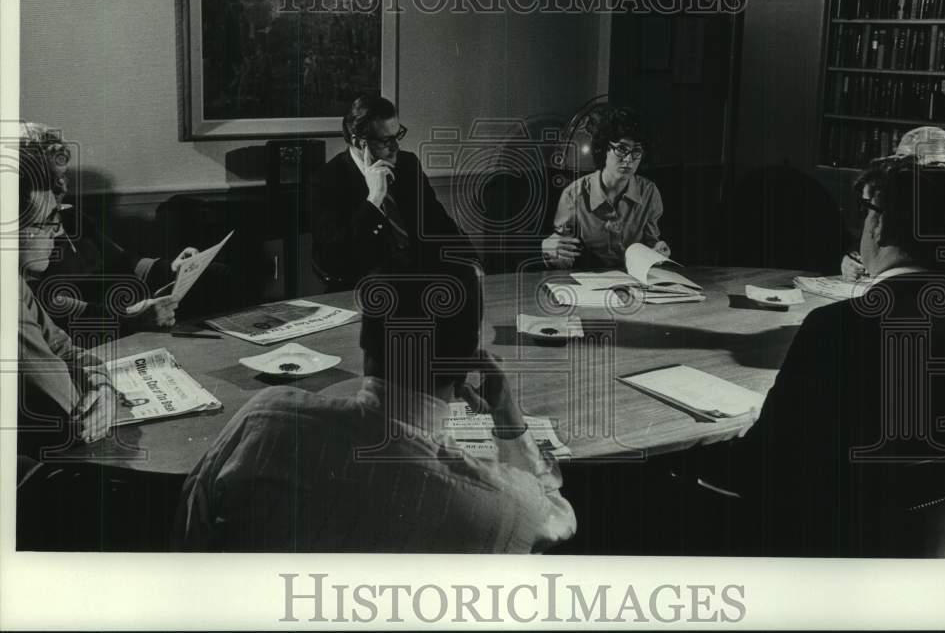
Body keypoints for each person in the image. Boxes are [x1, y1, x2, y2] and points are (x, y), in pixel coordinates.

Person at [173, 265, 576, 552]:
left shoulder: (266, 417)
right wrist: (509, 421)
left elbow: (193, 528)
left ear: (364, 337)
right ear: (470, 361)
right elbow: (558, 519)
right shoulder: (506, 503)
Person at [707, 156, 945, 555]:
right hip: (917, 543)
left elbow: (761, 463)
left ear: (879, 224)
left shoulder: (835, 326)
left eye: (868, 209)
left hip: (817, 541)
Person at [18, 122, 187, 336]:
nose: (62, 187)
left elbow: (124, 260)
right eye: (52, 179)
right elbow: (50, 306)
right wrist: (128, 317)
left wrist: (172, 267)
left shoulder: (72, 217)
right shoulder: (26, 243)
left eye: (63, 175)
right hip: (94, 327)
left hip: (128, 308)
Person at [310, 94, 477, 288]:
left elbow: (439, 223)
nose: (395, 147)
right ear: (358, 142)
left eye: (397, 136)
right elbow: (332, 259)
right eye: (385, 141)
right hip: (363, 291)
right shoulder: (326, 179)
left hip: (421, 286)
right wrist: (373, 199)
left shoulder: (407, 164)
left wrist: (470, 261)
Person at [18, 136, 117, 456]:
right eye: (47, 224)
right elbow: (72, 414)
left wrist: (104, 389)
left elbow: (67, 350)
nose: (58, 232)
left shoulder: (16, 283)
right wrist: (100, 398)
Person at [840, 126, 945, 311]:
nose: (921, 173)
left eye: (934, 165)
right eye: (909, 163)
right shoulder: (895, 196)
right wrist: (855, 261)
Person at [542, 105, 670, 269]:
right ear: (604, 149)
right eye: (621, 149)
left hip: (633, 283)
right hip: (590, 281)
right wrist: (550, 250)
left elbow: (651, 244)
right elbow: (563, 254)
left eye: (636, 151)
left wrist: (658, 252)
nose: (628, 159)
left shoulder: (649, 192)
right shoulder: (574, 194)